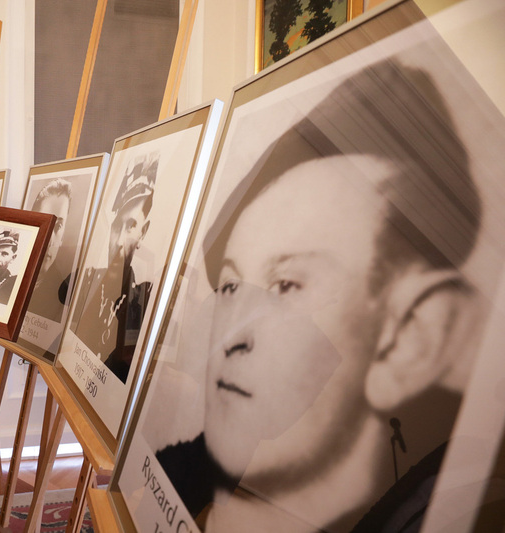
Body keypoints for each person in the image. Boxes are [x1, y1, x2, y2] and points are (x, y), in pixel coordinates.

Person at [156, 59, 484, 532]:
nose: (229, 335)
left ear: (415, 338)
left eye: (287, 286)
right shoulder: (197, 467)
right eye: (231, 286)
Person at [71, 152, 157, 383]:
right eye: (117, 225)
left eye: (131, 226)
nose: (119, 240)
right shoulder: (85, 284)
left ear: (143, 233)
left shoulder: (142, 302)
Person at [26, 178, 72, 322]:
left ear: (62, 237)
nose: (50, 240)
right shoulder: (9, 277)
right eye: (44, 223)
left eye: (58, 227)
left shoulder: (63, 296)